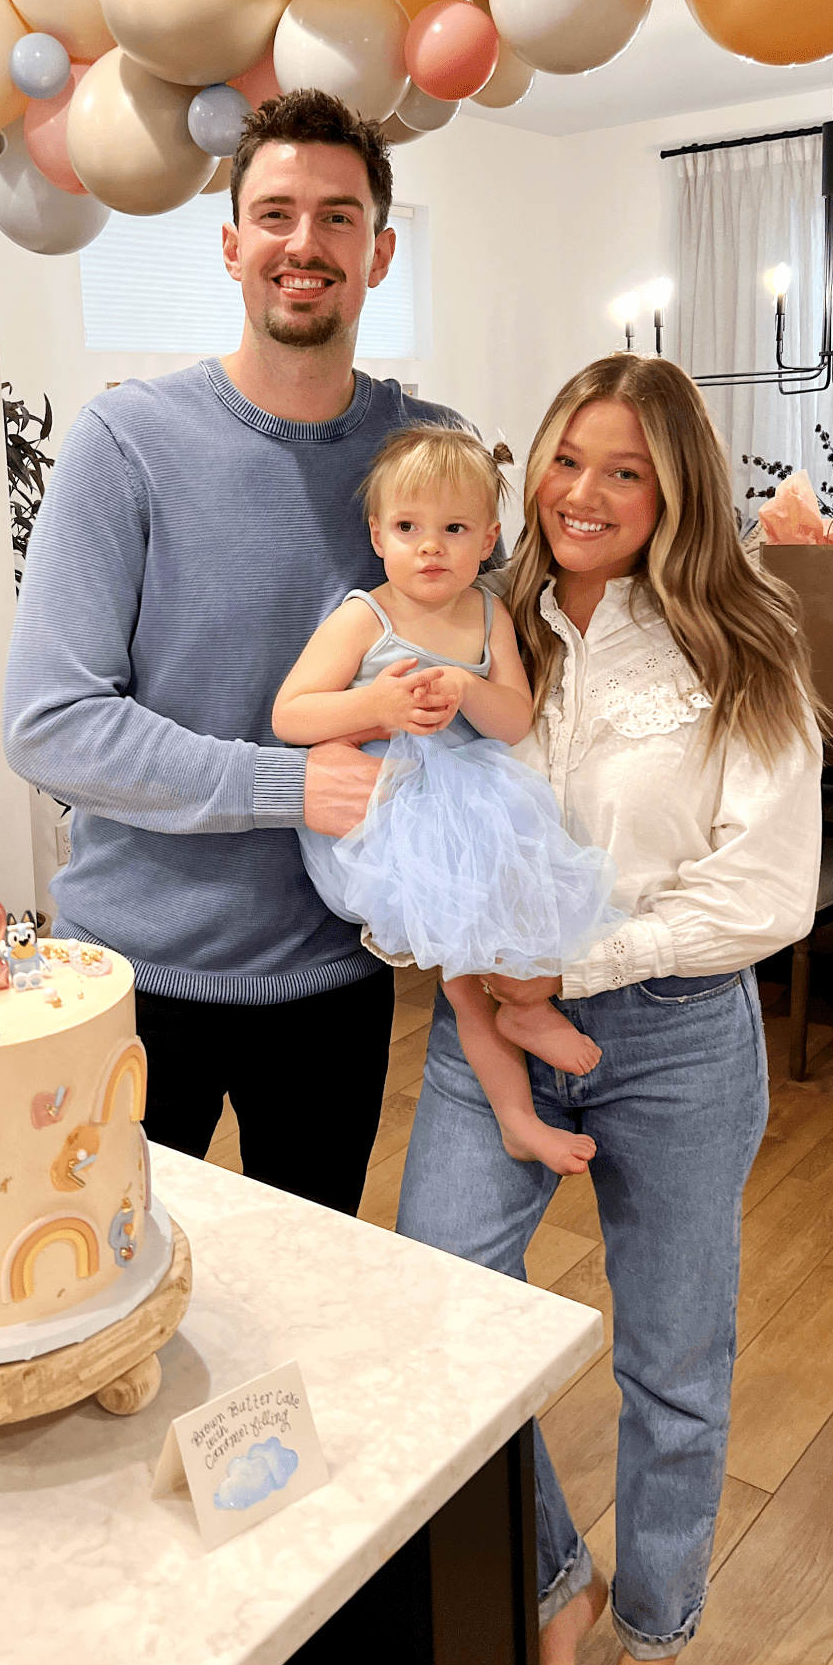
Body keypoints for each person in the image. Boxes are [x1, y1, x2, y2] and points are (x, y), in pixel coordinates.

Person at [395, 355, 823, 1665]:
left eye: (623, 470)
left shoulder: (741, 640)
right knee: (442, 1301)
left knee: (676, 1370)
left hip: (680, 1039)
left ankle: (654, 1630)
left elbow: (765, 889)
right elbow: (420, 798)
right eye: (566, 460)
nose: (583, 493)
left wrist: (572, 969)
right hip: (487, 1034)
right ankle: (555, 1582)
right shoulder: (475, 611)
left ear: (672, 487)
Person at [3, 89, 477, 1217]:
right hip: (132, 979)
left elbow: (479, 687)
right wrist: (284, 782)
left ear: (381, 250)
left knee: (304, 1306)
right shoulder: (126, 443)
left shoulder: (432, 456)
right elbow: (49, 720)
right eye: (274, 214)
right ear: (230, 245)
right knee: (106, 1290)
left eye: (337, 217)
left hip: (338, 976)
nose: (303, 244)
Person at [272, 423, 618, 1176]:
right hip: (393, 812)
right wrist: (379, 708)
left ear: (489, 538)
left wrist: (466, 685)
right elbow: (291, 715)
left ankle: (527, 1011)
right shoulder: (368, 615)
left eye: (454, 530)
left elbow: (515, 718)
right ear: (378, 535)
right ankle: (518, 1113)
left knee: (524, 920)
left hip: (478, 803)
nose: (430, 548)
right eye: (408, 529)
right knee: (464, 984)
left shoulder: (489, 615)